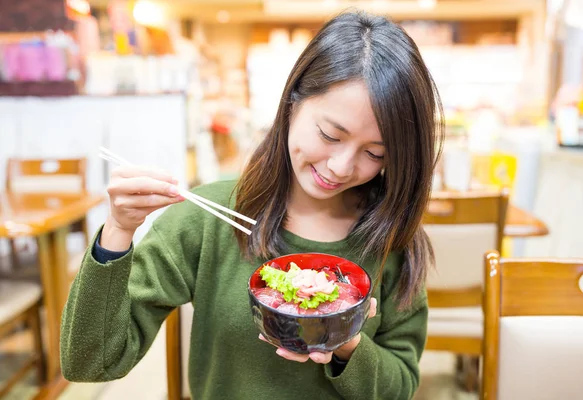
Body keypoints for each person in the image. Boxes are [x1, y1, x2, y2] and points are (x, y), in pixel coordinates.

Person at [60, 10, 443, 400]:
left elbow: (401, 386)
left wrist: (346, 346)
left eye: (375, 153)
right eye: (330, 135)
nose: (341, 167)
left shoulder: (392, 237)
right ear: (293, 103)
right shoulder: (206, 218)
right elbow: (90, 363)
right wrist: (118, 233)